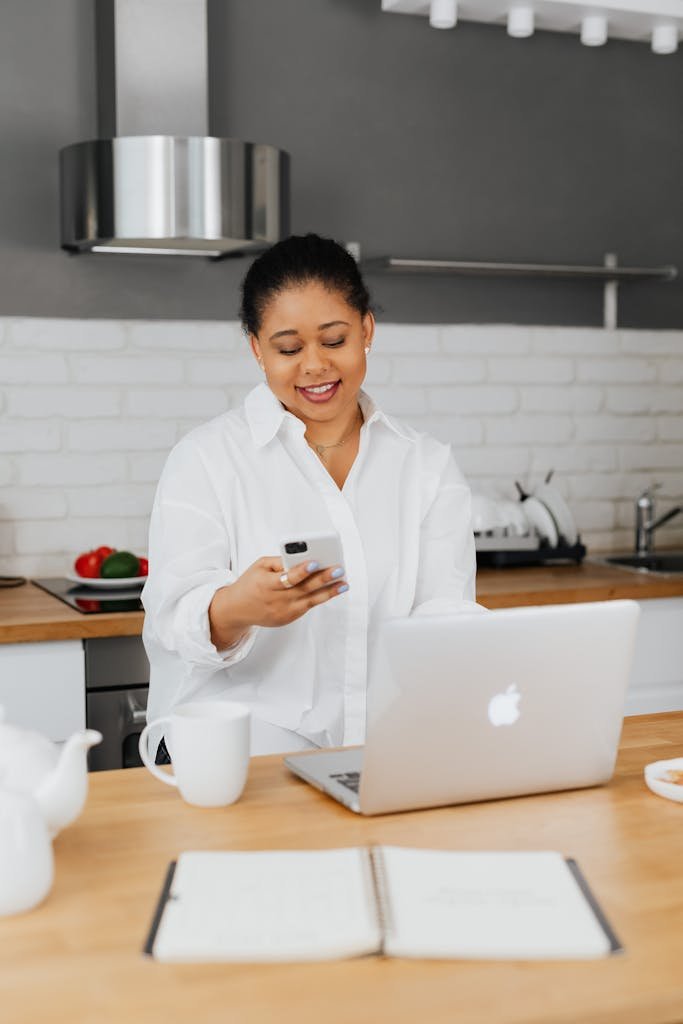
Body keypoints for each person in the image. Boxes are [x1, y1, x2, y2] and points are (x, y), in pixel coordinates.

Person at [142, 233, 479, 757]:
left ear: (367, 329)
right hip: (237, 747)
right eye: (289, 348)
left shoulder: (426, 464)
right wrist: (238, 607)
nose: (316, 366)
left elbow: (446, 616)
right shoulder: (205, 458)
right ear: (256, 348)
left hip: (386, 751)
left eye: (335, 340)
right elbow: (171, 624)